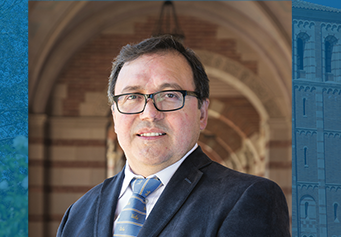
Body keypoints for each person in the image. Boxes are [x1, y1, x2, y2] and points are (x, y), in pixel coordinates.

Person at [56, 35, 290, 237]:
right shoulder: (78, 213)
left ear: (202, 112)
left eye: (169, 95)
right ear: (115, 115)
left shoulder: (249, 198)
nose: (150, 114)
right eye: (132, 97)